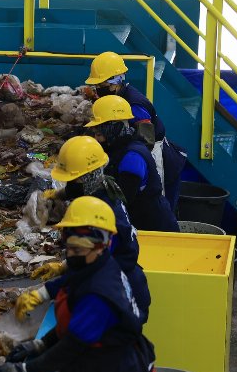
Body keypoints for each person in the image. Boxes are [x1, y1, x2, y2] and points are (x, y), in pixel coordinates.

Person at [0, 197, 155, 372]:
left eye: (77, 249)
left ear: (101, 245)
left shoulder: (98, 297)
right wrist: (39, 345)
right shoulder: (98, 264)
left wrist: (25, 370)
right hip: (102, 365)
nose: (70, 256)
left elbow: (72, 345)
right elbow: (74, 282)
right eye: (69, 247)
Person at [35, 136, 151, 322]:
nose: (70, 184)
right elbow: (78, 188)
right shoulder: (104, 185)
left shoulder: (103, 216)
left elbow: (90, 267)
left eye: (74, 179)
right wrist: (58, 194)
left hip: (121, 294)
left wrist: (45, 291)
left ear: (88, 177)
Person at [86, 51, 187, 211]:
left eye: (103, 86)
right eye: (97, 86)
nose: (99, 90)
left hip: (152, 153)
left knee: (153, 201)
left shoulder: (135, 104)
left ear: (117, 81)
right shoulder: (116, 97)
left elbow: (146, 141)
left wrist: (130, 161)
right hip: (135, 151)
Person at [87, 95, 179, 232]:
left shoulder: (133, 157)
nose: (96, 139)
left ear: (114, 129)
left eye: (99, 135)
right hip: (138, 224)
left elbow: (122, 198)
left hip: (154, 230)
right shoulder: (119, 147)